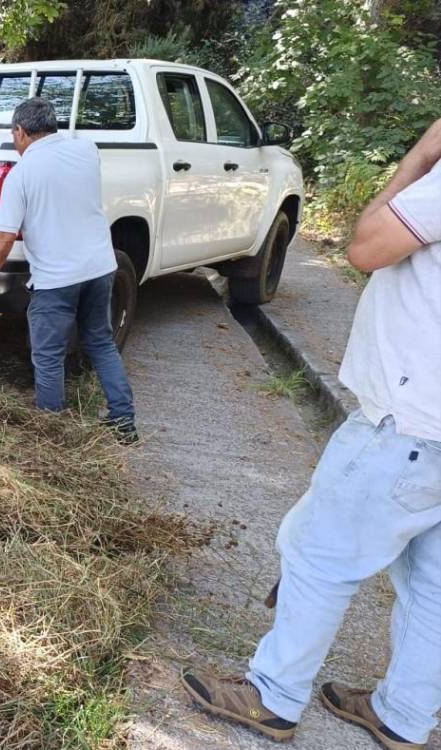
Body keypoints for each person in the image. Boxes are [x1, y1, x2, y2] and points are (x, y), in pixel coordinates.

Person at [182, 120, 441, 750]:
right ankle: (404, 715)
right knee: (433, 586)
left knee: (319, 556)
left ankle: (273, 696)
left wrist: (423, 153)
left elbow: (367, 246)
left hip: (406, 421)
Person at [0, 97, 137, 441]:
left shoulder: (21, 174)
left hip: (57, 279)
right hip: (101, 268)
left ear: (21, 131)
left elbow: (3, 239)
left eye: (14, 134)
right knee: (100, 342)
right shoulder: (87, 151)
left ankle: (51, 437)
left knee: (49, 357)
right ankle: (124, 422)